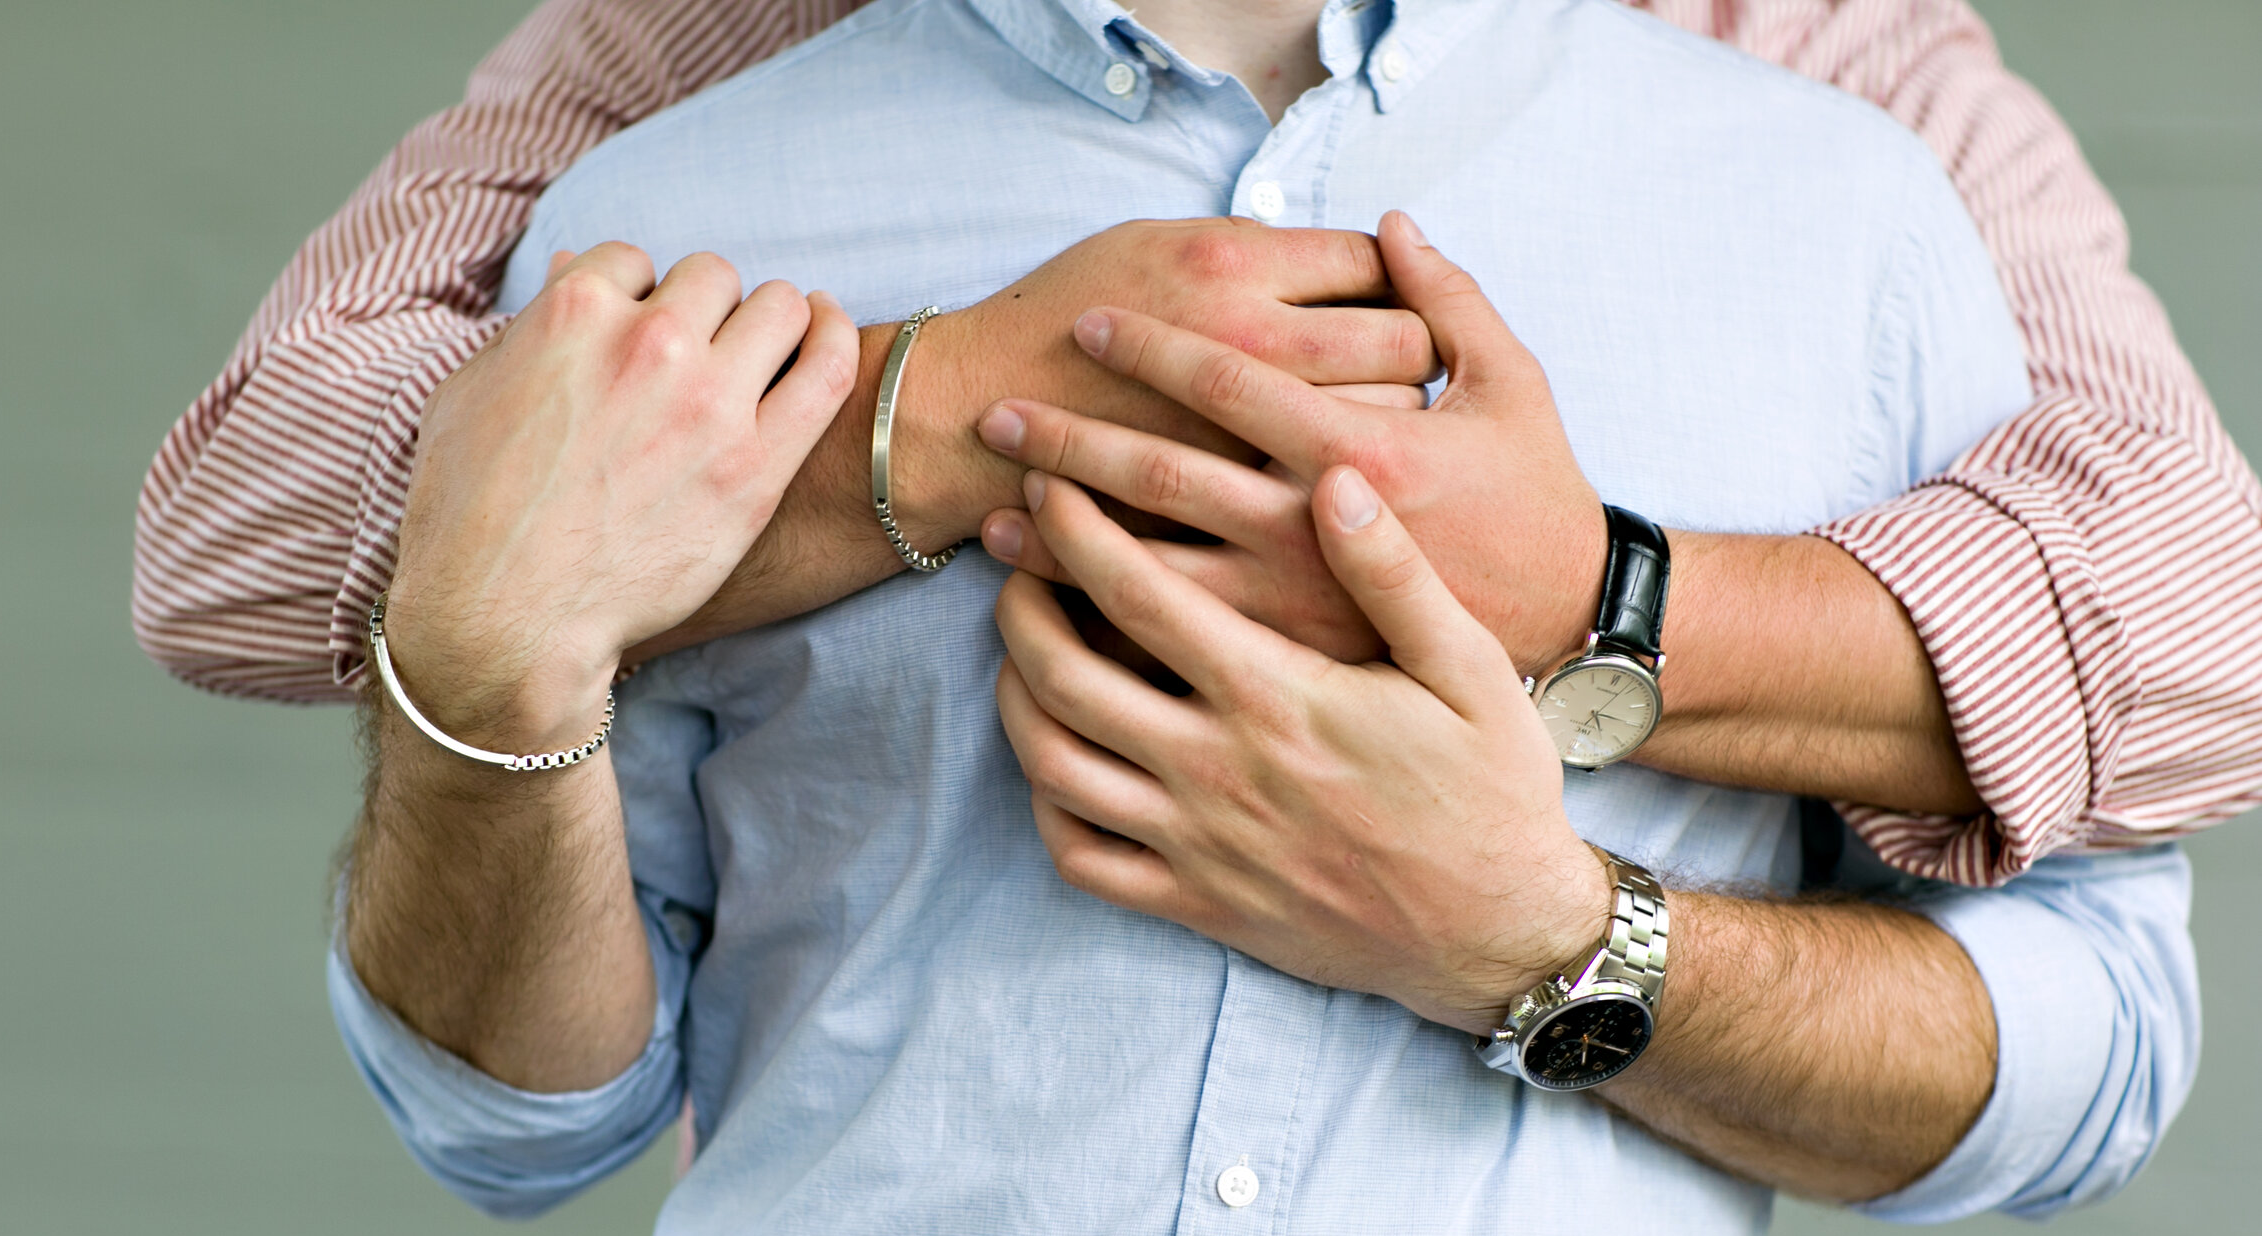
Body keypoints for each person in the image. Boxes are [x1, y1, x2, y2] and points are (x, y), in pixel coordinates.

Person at [319, 0, 2196, 1236]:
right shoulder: (661, 234)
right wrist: (480, 674)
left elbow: (2097, 1034)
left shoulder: (1837, 221)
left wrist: (1551, 938)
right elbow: (506, 1120)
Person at [133, 0, 2262, 890]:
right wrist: (936, 404)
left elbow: (2208, 625)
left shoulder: (1826, 70)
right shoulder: (725, 60)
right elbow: (232, 537)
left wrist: (1583, 606)